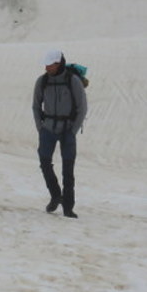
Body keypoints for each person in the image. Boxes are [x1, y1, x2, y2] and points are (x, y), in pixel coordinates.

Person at [33, 50, 86, 217]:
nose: (47, 68)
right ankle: (56, 195)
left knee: (68, 169)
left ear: (58, 63)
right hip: (48, 129)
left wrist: (73, 131)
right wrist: (40, 128)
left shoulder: (73, 81)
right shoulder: (42, 81)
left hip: (67, 130)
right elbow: (36, 106)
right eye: (46, 65)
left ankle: (68, 207)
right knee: (44, 162)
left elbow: (82, 108)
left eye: (50, 65)